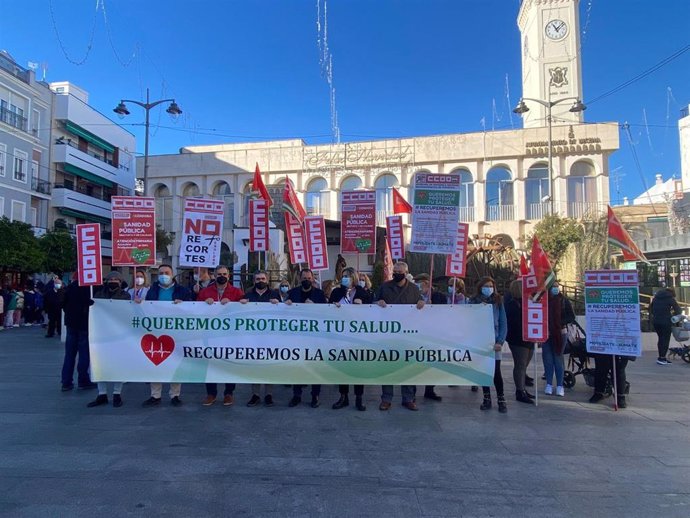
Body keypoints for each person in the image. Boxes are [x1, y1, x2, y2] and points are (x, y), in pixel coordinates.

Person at [376, 261, 425, 411]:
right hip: (388, 335)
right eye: (395, 271)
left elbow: (420, 305)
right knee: (388, 366)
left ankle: (408, 398)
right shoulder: (384, 287)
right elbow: (371, 304)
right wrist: (378, 302)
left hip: (408, 335)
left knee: (408, 366)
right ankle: (386, 399)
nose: (397, 274)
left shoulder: (414, 289)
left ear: (406, 272)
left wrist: (422, 303)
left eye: (400, 271)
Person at [141, 264, 193, 407]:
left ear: (172, 274)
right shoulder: (152, 290)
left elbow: (192, 307)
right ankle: (155, 395)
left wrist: (184, 304)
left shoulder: (182, 290)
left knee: (175, 363)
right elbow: (146, 307)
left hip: (176, 332)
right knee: (155, 361)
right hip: (156, 332)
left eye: (167, 272)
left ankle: (175, 395)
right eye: (161, 273)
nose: (164, 275)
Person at [197, 264, 244, 407]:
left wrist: (234, 304)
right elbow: (195, 309)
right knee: (210, 364)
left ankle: (229, 393)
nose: (222, 276)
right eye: (219, 274)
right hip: (210, 335)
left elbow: (244, 308)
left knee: (229, 363)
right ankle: (211, 394)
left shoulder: (237, 292)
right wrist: (204, 303)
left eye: (224, 274)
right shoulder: (205, 292)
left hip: (230, 335)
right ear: (214, 275)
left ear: (229, 276)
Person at [329, 267, 372, 411]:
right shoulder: (336, 292)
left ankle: (359, 398)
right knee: (343, 368)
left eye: (347, 276)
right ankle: (343, 397)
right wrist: (333, 308)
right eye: (343, 276)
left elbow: (372, 313)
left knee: (358, 368)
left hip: (358, 337)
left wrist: (363, 306)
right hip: (341, 336)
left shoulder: (362, 293)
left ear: (353, 277)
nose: (344, 278)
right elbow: (326, 310)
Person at [87, 272, 131, 408]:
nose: (113, 281)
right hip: (101, 333)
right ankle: (102, 393)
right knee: (99, 362)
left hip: (118, 333)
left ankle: (117, 393)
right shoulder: (99, 295)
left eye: (116, 279)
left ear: (120, 281)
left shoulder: (125, 296)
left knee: (118, 363)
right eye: (110, 279)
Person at [286, 269, 327, 408]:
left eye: (309, 277)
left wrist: (314, 307)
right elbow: (284, 311)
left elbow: (326, 314)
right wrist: (286, 305)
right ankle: (296, 395)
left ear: (313, 279)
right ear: (299, 278)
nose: (307, 280)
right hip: (297, 337)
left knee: (315, 366)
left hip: (315, 337)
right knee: (297, 366)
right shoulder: (292, 293)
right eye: (304, 278)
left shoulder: (320, 294)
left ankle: (315, 395)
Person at [240, 270, 280, 407]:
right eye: (257, 279)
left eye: (263, 278)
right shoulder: (248, 295)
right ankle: (255, 395)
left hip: (270, 337)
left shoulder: (274, 294)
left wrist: (278, 304)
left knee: (269, 365)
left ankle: (269, 395)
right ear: (254, 281)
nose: (260, 281)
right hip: (253, 337)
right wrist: (242, 304)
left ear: (267, 280)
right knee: (255, 366)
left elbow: (283, 313)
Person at [469, 276, 508, 413]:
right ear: (480, 287)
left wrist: (500, 341)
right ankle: (486, 398)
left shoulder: (498, 301)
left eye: (491, 286)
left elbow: (503, 322)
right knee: (483, 370)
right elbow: (467, 319)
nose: (489, 289)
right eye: (486, 286)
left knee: (496, 372)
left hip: (494, 341)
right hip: (480, 341)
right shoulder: (473, 301)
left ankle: (501, 399)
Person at [414, 273, 447, 402]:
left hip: (434, 334)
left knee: (433, 363)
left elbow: (445, 312)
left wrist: (432, 306)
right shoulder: (413, 296)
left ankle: (430, 389)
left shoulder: (439, 296)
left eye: (422, 283)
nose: (420, 286)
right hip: (417, 334)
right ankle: (412, 393)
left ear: (428, 284)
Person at [61, 276, 97, 392]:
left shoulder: (69, 288)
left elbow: (62, 303)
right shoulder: (90, 289)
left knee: (69, 354)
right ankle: (83, 379)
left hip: (71, 324)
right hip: (84, 324)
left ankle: (66, 382)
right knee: (84, 353)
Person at [542, 282, 575, 397]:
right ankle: (549, 384)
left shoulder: (564, 300)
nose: (556, 288)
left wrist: (558, 323)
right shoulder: (543, 300)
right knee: (547, 359)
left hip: (560, 333)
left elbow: (571, 316)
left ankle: (560, 385)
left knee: (558, 358)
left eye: (557, 286)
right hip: (546, 333)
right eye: (553, 286)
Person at [505, 280, 535, 404]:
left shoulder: (529, 302)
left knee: (524, 364)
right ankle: (520, 391)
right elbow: (513, 322)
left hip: (529, 337)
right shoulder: (512, 304)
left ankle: (522, 387)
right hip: (518, 339)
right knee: (520, 364)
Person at [649, 287, 682, 365]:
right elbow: (678, 310)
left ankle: (661, 357)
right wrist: (672, 315)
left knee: (660, 338)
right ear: (672, 293)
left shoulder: (656, 298)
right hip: (666, 321)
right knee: (665, 339)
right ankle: (662, 358)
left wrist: (656, 315)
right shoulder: (670, 298)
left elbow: (650, 308)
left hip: (656, 321)